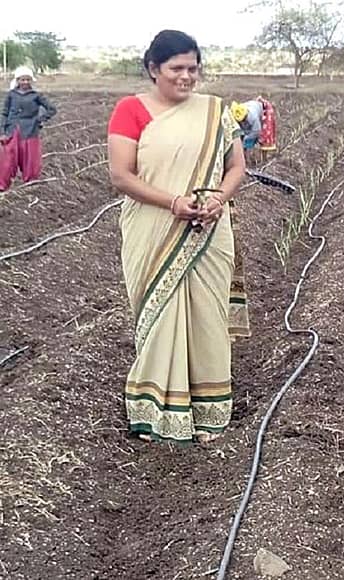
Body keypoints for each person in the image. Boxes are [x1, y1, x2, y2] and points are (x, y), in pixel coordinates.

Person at [106, 29, 245, 444]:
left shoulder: (215, 111)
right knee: (159, 313)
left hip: (208, 230)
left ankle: (208, 413)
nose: (187, 77)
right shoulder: (130, 110)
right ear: (153, 69)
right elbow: (121, 175)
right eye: (176, 69)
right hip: (154, 227)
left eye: (193, 69)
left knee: (207, 316)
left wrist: (219, 198)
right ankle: (155, 413)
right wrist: (173, 203)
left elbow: (236, 167)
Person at [0, 66, 57, 191]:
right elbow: (4, 113)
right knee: (8, 159)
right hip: (12, 131)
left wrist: (39, 120)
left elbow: (52, 109)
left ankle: (30, 185)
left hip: (30, 131)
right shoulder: (11, 95)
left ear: (31, 81)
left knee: (30, 159)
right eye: (22, 80)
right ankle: (2, 185)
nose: (25, 82)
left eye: (27, 80)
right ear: (17, 80)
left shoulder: (36, 95)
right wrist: (2, 132)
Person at [230, 97, 276, 164]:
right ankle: (243, 158)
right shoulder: (236, 113)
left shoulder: (253, 117)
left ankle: (264, 160)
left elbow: (256, 131)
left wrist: (246, 138)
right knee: (242, 139)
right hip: (253, 108)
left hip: (264, 113)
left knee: (264, 137)